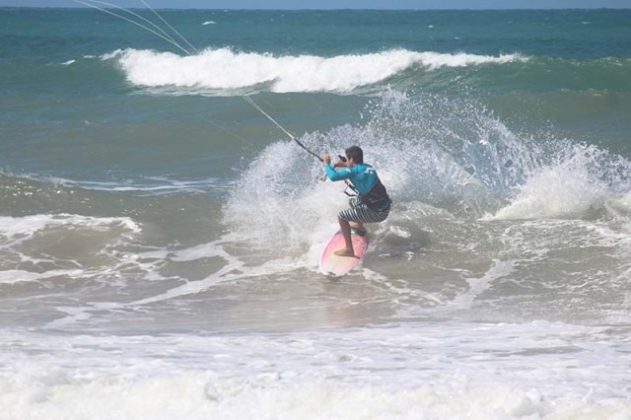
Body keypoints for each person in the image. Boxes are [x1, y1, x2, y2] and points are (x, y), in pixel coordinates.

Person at [322, 145, 391, 257]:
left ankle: (349, 249)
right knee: (354, 199)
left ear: (352, 159)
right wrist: (343, 164)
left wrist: (326, 164)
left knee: (342, 217)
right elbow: (355, 170)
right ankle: (360, 227)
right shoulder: (368, 167)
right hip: (385, 208)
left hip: (377, 214)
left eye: (347, 158)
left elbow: (333, 177)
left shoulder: (353, 172)